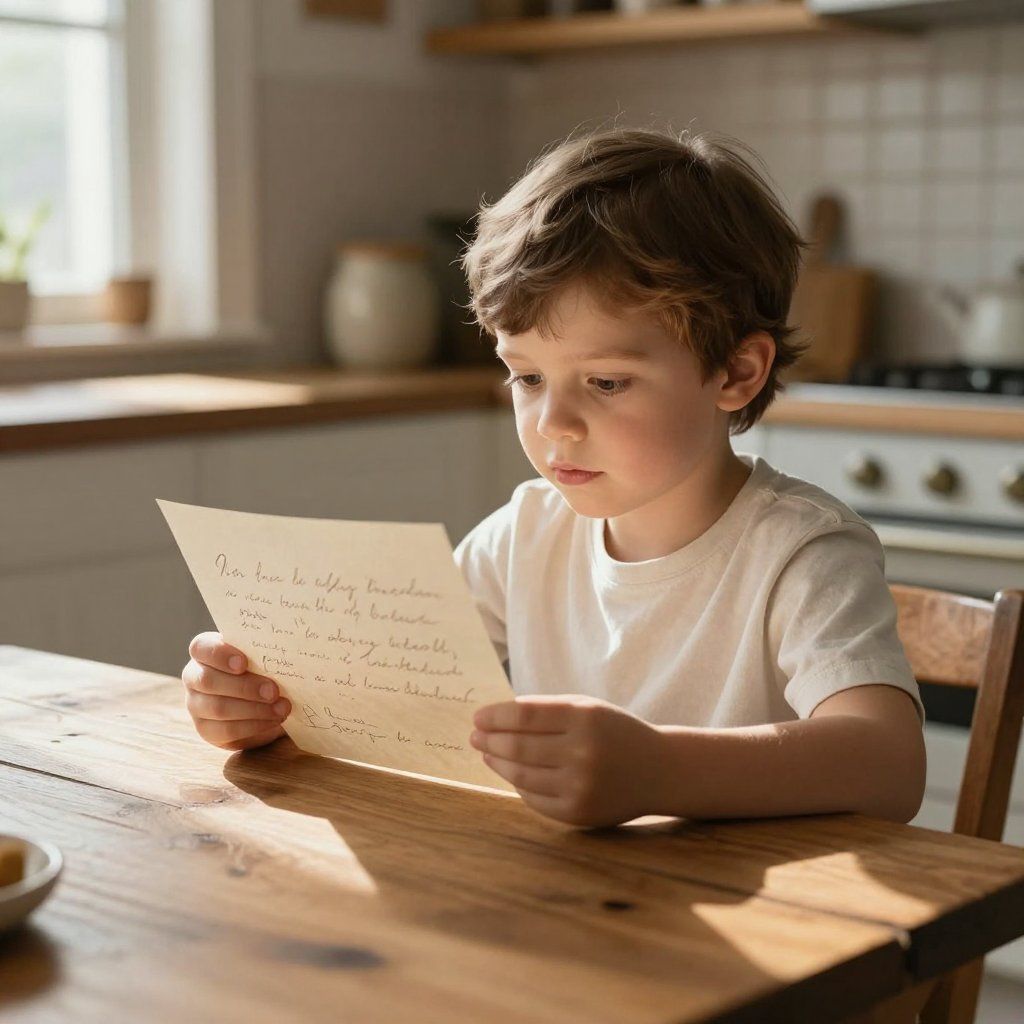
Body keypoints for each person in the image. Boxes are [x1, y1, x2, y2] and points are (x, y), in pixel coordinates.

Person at [181, 127, 926, 830]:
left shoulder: (801, 552)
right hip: (563, 917)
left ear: (736, 371)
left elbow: (889, 765)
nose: (553, 424)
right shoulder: (527, 533)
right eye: (528, 377)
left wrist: (661, 771)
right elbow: (380, 690)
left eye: (605, 382)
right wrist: (261, 700)